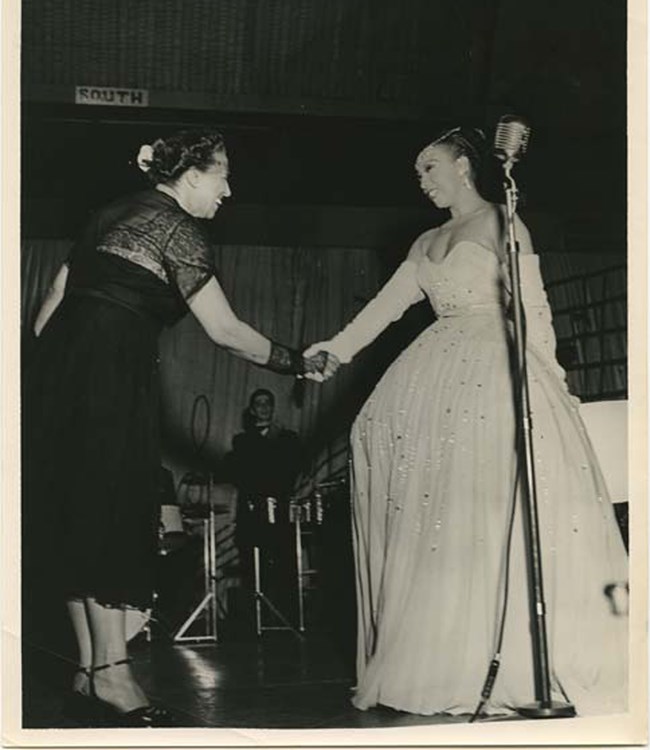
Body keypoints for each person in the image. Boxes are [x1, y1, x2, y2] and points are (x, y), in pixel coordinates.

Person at [304, 126, 628, 716]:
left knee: (500, 510)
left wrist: (551, 379)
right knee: (443, 519)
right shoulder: (426, 240)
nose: (422, 181)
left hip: (496, 364)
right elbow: (387, 306)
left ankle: (524, 656)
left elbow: (534, 309)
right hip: (435, 375)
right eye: (419, 173)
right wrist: (337, 348)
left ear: (463, 166)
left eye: (430, 168)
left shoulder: (504, 223)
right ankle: (452, 654)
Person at [22, 129, 321, 727]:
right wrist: (298, 361)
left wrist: (59, 375)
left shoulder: (106, 213)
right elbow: (227, 331)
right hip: (110, 376)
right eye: (222, 176)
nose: (228, 190)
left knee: (76, 512)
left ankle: (88, 673)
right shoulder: (178, 228)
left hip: (59, 377)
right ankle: (114, 677)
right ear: (189, 178)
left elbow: (50, 303)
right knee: (110, 510)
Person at [222, 388, 301, 626]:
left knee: (283, 562)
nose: (264, 407)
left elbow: (288, 471)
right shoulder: (243, 440)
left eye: (268, 403)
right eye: (259, 404)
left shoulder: (289, 438)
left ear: (273, 407)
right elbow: (247, 473)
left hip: (280, 511)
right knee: (252, 565)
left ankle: (284, 618)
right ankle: (256, 620)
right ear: (253, 410)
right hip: (253, 513)